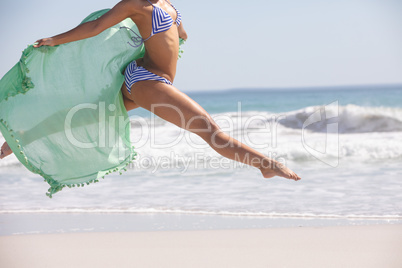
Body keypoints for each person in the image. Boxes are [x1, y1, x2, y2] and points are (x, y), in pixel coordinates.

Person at [0, 0, 301, 181]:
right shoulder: (136, 5)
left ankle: (20, 136)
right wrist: (54, 39)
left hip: (149, 78)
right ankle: (266, 165)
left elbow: (181, 34)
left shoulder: (167, 5)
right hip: (147, 80)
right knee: (211, 131)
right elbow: (96, 28)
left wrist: (169, 38)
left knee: (85, 116)